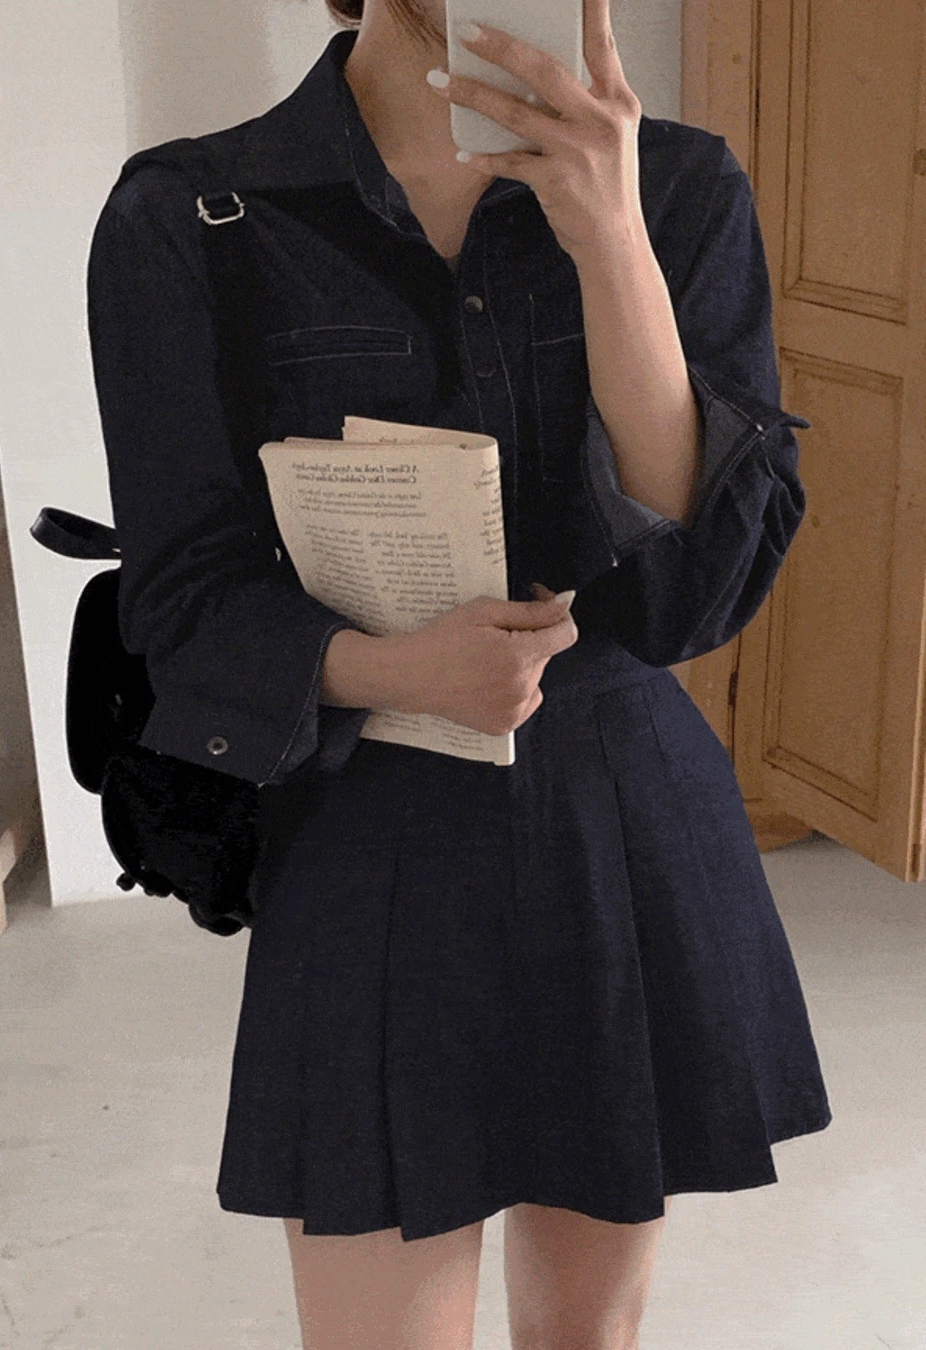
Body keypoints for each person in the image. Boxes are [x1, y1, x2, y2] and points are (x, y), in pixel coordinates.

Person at [86, 0, 833, 1345]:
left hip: (615, 816)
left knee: (585, 1337)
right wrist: (390, 667)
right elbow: (181, 598)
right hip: (364, 835)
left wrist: (610, 236)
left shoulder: (678, 190)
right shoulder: (194, 214)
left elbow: (693, 592)